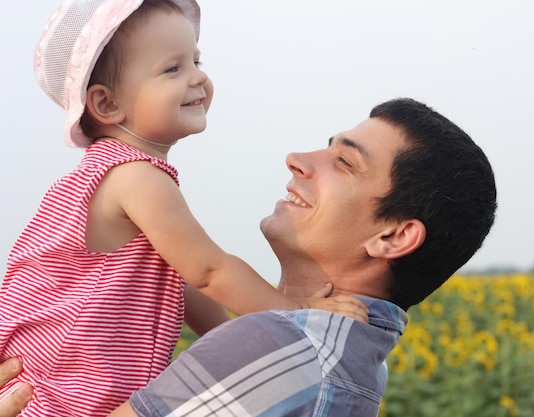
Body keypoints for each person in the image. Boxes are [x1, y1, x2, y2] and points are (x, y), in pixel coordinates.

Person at [0, 97, 497, 416]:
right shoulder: (351, 358)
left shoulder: (279, 342)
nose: (298, 159)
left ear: (392, 237)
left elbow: (210, 276)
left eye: (344, 161)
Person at [0, 1, 366, 416]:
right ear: (106, 105)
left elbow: (182, 286)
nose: (199, 77)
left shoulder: (109, 176)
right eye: (172, 69)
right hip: (65, 398)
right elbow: (210, 271)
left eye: (196, 59)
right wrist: (299, 315)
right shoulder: (135, 176)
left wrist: (249, 343)